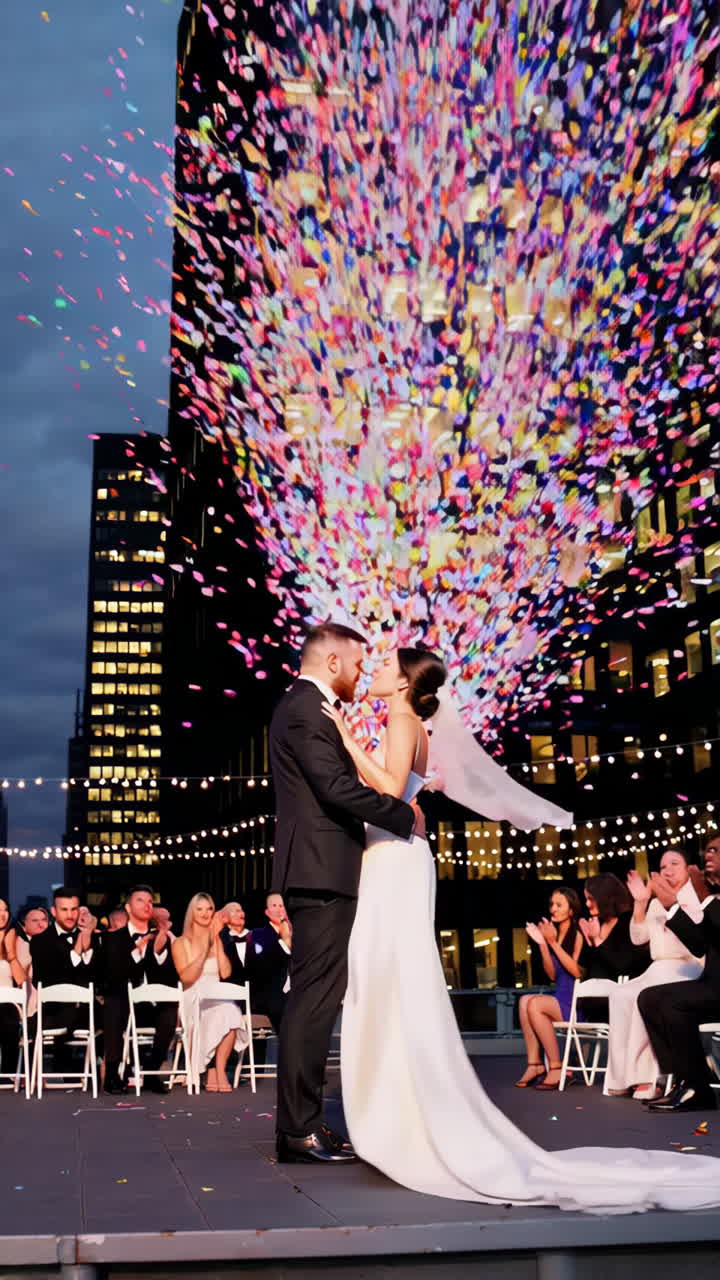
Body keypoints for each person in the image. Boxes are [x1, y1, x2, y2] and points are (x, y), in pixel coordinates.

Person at [321, 644, 720, 1211]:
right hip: (400, 855)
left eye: (387, 665)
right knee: (393, 979)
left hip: (394, 856)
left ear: (407, 682)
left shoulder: (402, 717)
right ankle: (397, 1106)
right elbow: (406, 788)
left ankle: (397, 1113)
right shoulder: (414, 722)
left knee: (388, 978)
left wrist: (344, 739)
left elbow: (387, 790)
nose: (378, 670)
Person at [269, 620, 420, 1164]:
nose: (361, 673)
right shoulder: (306, 708)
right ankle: (299, 1130)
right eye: (358, 663)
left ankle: (303, 1126)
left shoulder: (300, 706)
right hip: (321, 871)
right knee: (313, 1000)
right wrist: (403, 816)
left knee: (316, 997)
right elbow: (333, 788)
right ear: (333, 662)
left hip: (319, 869)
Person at [604, 852, 704, 1098]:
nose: (668, 870)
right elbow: (639, 938)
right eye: (662, 866)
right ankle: (623, 1077)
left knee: (643, 996)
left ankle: (650, 1078)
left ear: (687, 867)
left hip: (686, 967)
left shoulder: (696, 895)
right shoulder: (656, 903)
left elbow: (697, 936)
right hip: (657, 968)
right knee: (620, 994)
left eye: (674, 864)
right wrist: (641, 902)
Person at [638, 833, 720, 1113]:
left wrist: (704, 897)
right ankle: (683, 1079)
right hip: (712, 985)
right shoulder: (710, 891)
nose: (709, 855)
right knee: (649, 998)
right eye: (708, 850)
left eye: (717, 851)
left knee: (673, 1003)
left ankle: (699, 1087)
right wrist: (672, 906)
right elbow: (699, 943)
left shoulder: (708, 894)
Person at [100, 884, 176, 1095]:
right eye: (140, 900)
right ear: (128, 907)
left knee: (170, 1008)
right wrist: (138, 951)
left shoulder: (162, 937)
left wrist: (158, 951)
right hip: (124, 1003)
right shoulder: (113, 938)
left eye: (150, 901)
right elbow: (112, 976)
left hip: (150, 1006)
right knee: (114, 1001)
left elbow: (169, 977)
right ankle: (113, 1074)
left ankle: (151, 1072)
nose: (146, 905)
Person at [173, 893, 248, 1092]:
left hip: (218, 995)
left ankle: (219, 1069)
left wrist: (215, 939)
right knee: (222, 1012)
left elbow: (225, 972)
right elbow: (186, 978)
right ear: (192, 913)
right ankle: (211, 1070)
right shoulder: (181, 942)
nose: (205, 914)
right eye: (200, 909)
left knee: (230, 1012)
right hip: (193, 996)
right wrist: (204, 950)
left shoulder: (217, 940)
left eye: (209, 909)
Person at [516, 888, 583, 1089]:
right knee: (524, 1000)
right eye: (551, 904)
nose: (553, 909)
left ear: (571, 910)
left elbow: (577, 972)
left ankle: (555, 1066)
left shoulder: (577, 933)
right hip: (559, 998)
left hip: (575, 1004)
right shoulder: (554, 935)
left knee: (535, 1003)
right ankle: (535, 1064)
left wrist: (552, 942)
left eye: (559, 905)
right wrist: (543, 944)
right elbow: (553, 975)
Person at [29, 888, 97, 1073]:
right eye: (64, 909)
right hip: (54, 1011)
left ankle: (109, 1072)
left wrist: (87, 935)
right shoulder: (40, 941)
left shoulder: (93, 937)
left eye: (74, 909)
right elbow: (45, 980)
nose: (70, 915)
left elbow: (95, 974)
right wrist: (80, 942)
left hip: (87, 1011)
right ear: (53, 911)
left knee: (114, 1011)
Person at [574, 873, 650, 1022]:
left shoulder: (627, 921)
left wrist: (597, 940)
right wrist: (590, 942)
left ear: (605, 897)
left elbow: (622, 965)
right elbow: (585, 970)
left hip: (619, 1001)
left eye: (591, 899)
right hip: (591, 1000)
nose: (587, 904)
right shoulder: (597, 923)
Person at [0, 899, 26, 1071]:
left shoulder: (16, 939)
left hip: (8, 1006)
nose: (3, 914)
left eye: (5, 909)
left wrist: (10, 953)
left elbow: (21, 980)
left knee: (8, 1017)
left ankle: (8, 1071)